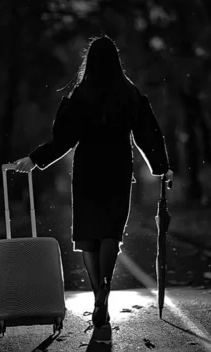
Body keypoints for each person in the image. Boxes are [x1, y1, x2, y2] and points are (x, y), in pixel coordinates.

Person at [14, 35, 173, 328]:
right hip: (118, 168)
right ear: (116, 61)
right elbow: (147, 133)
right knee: (111, 231)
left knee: (89, 235)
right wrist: (162, 167)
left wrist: (34, 159)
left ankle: (97, 292)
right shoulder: (129, 93)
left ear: (90, 62)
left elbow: (64, 138)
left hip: (88, 168)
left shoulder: (81, 94)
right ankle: (105, 288)